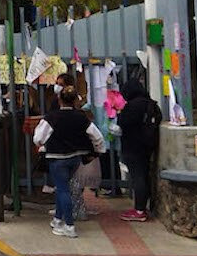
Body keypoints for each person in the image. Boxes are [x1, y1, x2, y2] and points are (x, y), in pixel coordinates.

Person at [33, 85, 106, 238]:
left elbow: (38, 138)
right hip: (75, 159)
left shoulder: (52, 117)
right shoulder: (81, 117)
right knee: (63, 188)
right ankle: (58, 219)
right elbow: (97, 136)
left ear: (59, 99)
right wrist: (98, 151)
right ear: (75, 100)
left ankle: (69, 225)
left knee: (62, 190)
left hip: (57, 158)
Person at [116, 78, 161, 222]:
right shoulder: (151, 104)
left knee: (138, 177)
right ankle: (142, 206)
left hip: (133, 145)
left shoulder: (133, 106)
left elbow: (123, 123)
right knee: (144, 174)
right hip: (148, 145)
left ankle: (139, 210)